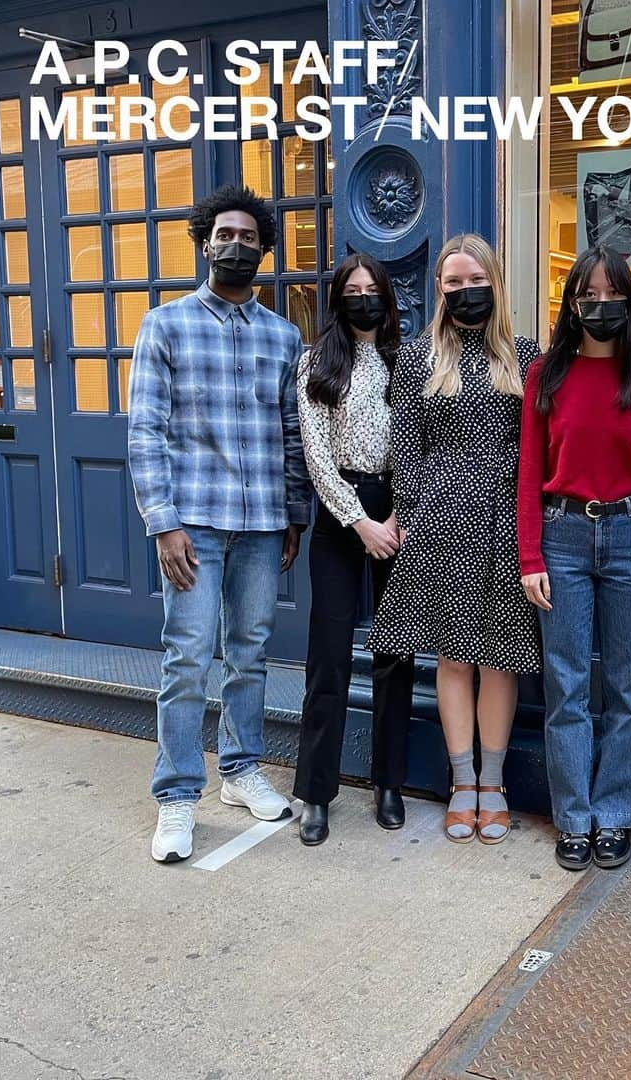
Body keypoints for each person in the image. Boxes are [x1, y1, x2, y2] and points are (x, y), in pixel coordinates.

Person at [128, 185, 312, 864]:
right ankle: (177, 796)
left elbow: (292, 434)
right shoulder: (165, 325)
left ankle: (238, 770)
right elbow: (146, 431)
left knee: (251, 653)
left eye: (247, 237)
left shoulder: (284, 335)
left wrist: (295, 514)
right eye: (223, 235)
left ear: (264, 250)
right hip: (194, 526)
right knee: (186, 657)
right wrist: (163, 522)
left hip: (263, 525)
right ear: (205, 242)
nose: (235, 245)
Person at [366, 234, 540, 844]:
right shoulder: (418, 359)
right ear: (439, 290)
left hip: (506, 520)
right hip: (442, 521)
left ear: (494, 282)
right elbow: (404, 448)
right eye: (453, 283)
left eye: (475, 281)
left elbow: (536, 448)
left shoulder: (524, 355)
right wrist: (414, 510)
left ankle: (493, 783)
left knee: (501, 656)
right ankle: (462, 783)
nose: (466, 292)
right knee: (452, 655)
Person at [518, 246, 631, 873]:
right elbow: (529, 471)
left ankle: (614, 816)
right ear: (572, 301)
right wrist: (531, 554)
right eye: (589, 294)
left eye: (613, 294)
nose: (601, 305)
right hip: (563, 536)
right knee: (568, 685)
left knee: (629, 685)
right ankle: (574, 819)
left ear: (630, 303)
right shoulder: (546, 375)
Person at [293, 254, 416, 846]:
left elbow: (422, 442)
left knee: (397, 656)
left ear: (387, 298)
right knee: (330, 657)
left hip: (398, 508)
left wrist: (398, 511)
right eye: (353, 290)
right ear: (338, 298)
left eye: (372, 290)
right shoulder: (316, 362)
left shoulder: (409, 360)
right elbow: (316, 454)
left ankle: (388, 782)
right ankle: (315, 792)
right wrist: (360, 521)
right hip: (342, 512)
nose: (363, 298)